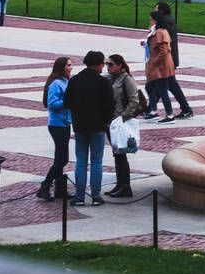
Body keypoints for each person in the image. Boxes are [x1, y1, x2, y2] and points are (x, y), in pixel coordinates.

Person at [64, 51, 115, 206]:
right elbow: (110, 105)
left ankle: (79, 196)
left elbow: (67, 102)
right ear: (98, 64)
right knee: (96, 161)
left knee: (81, 161)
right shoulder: (103, 82)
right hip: (98, 125)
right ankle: (95, 196)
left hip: (80, 125)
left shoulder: (75, 80)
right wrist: (105, 120)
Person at [143, 8, 193, 121]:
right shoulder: (157, 31)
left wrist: (154, 63)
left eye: (151, 19)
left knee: (162, 90)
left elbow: (163, 51)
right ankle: (153, 110)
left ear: (155, 20)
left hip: (161, 67)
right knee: (150, 87)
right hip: (159, 65)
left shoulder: (161, 32)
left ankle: (168, 114)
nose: (149, 21)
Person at [106, 53, 145, 197]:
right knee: (117, 154)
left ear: (120, 65)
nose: (107, 67)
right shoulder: (110, 78)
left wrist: (123, 117)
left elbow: (134, 101)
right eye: (106, 64)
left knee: (121, 154)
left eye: (110, 64)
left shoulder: (127, 79)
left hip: (119, 121)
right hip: (111, 122)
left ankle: (126, 186)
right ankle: (120, 184)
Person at [37, 57, 75, 203]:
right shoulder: (56, 83)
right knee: (62, 158)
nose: (71, 68)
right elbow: (52, 104)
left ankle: (60, 190)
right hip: (57, 124)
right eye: (69, 65)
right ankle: (45, 186)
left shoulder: (65, 82)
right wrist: (68, 101)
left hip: (64, 123)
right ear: (62, 67)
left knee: (60, 157)